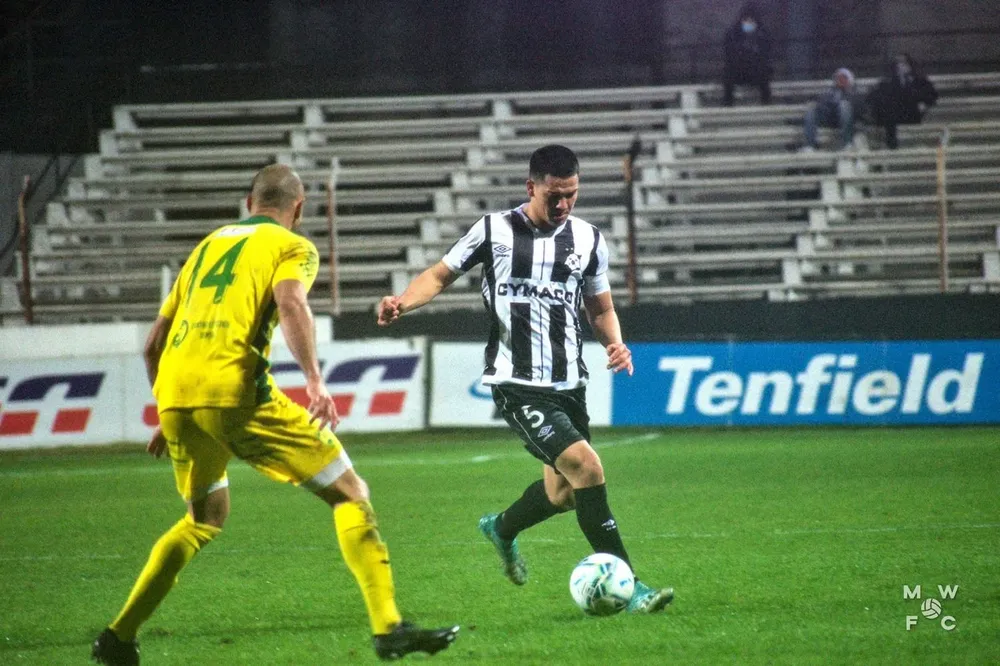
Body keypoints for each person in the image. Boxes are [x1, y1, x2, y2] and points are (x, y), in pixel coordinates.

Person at [91, 164, 458, 665]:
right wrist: (313, 379)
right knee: (349, 493)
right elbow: (290, 304)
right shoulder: (293, 246)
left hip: (176, 394)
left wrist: (170, 410)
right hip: (237, 391)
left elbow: (154, 343)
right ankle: (388, 626)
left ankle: (118, 637)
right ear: (299, 209)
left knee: (203, 518)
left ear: (249, 202)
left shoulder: (207, 245)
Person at [376, 145, 674, 614]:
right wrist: (402, 302)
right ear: (531, 187)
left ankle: (502, 528)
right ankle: (631, 585)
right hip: (515, 382)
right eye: (554, 195)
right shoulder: (493, 230)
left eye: (571, 195)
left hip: (569, 384)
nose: (563, 205)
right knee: (588, 469)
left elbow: (601, 307)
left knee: (562, 495)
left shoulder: (589, 240)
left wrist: (615, 342)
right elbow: (439, 275)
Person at [866, 54, 938, 149]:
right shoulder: (887, 81)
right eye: (898, 63)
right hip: (894, 115)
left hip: (913, 113)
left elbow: (932, 95)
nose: (901, 66)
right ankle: (891, 145)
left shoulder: (920, 80)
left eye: (903, 63)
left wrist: (924, 104)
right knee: (888, 111)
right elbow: (873, 96)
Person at [722, 3, 772, 106]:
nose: (749, 23)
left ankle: (766, 106)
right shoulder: (733, 33)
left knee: (765, 77)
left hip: (757, 71)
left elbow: (766, 53)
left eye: (751, 20)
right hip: (738, 70)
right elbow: (729, 53)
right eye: (746, 19)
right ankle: (728, 106)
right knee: (727, 77)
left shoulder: (762, 33)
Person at [802, 67, 861, 151]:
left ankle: (848, 143)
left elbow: (858, 109)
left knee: (844, 105)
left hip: (849, 120)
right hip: (831, 118)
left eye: (843, 78)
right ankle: (810, 145)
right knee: (811, 110)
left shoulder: (855, 93)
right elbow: (821, 105)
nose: (840, 80)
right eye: (838, 78)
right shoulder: (829, 92)